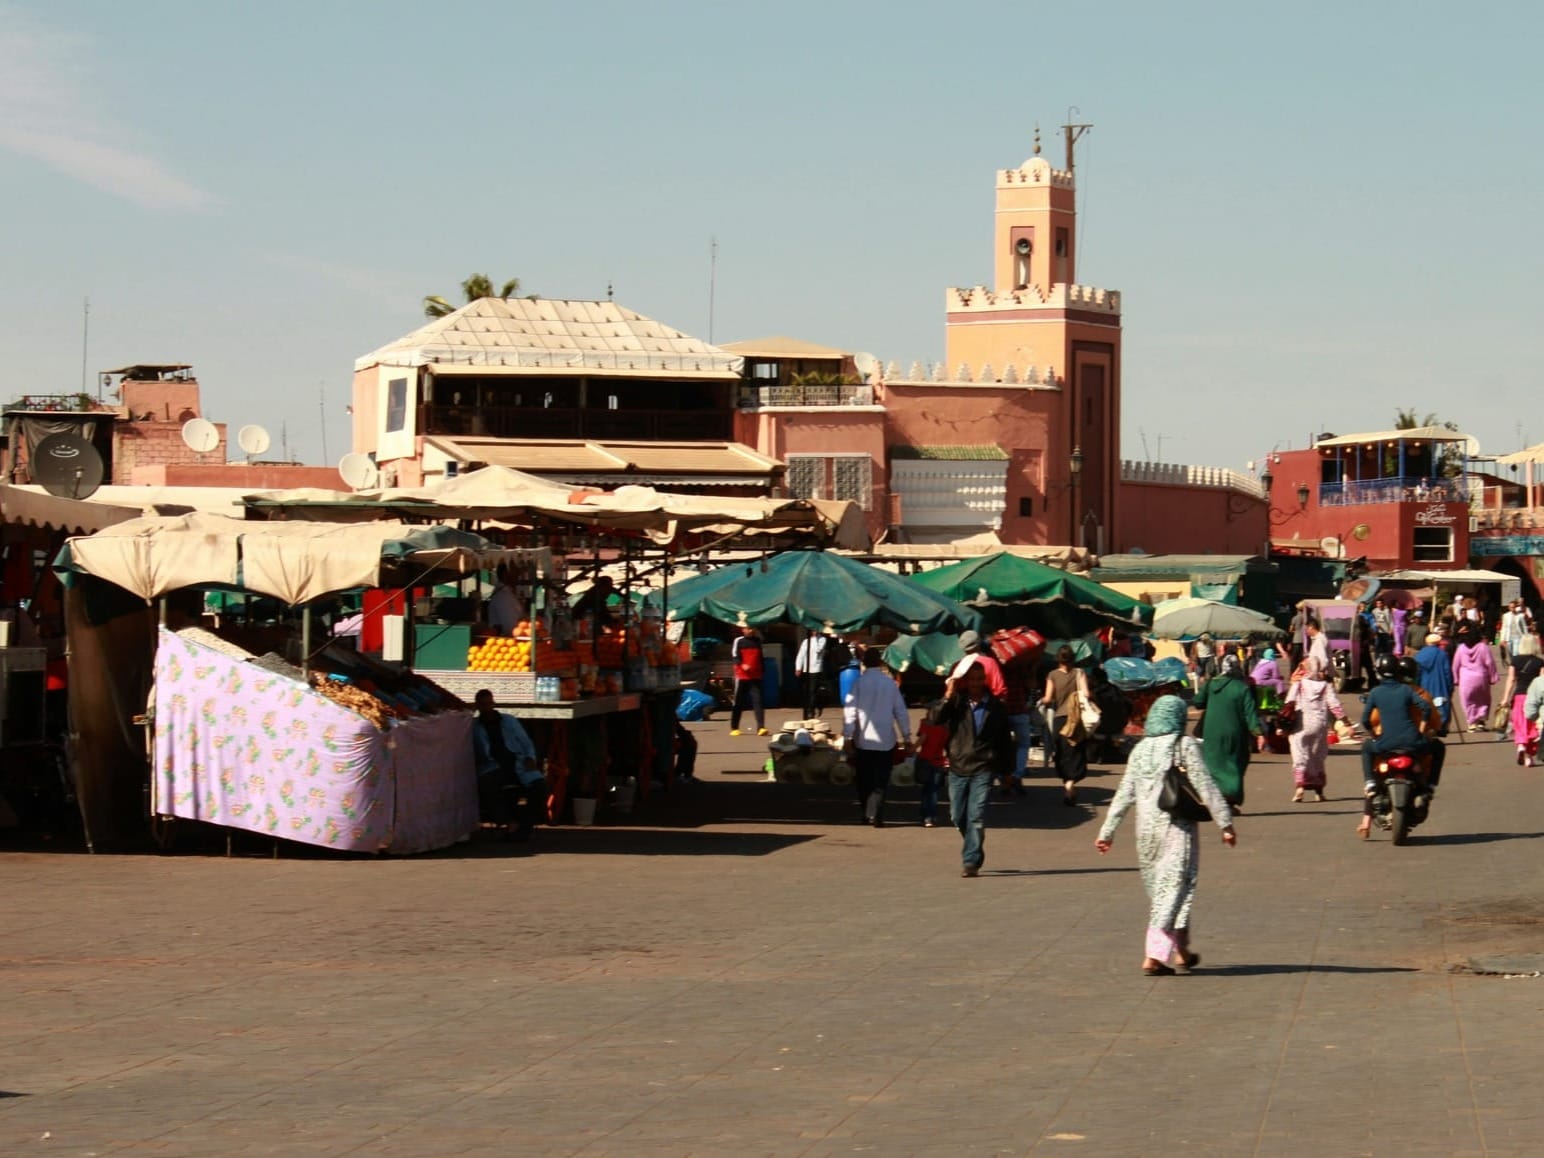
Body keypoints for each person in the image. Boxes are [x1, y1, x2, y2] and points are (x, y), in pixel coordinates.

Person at [1095, 695, 1237, 975]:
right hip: (1176, 828)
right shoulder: (1183, 745)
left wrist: (1107, 831)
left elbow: (1125, 793)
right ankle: (1154, 956)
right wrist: (1225, 823)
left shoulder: (1140, 750)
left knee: (1168, 891)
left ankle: (1182, 951)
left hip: (1145, 832)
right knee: (1172, 890)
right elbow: (1204, 785)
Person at [930, 657, 1015, 876]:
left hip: (983, 766)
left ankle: (971, 861)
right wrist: (947, 695)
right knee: (957, 816)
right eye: (972, 679)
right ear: (966, 681)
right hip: (958, 765)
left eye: (980, 679)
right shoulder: (956, 702)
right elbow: (934, 718)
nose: (976, 683)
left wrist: (1007, 772)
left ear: (984, 679)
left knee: (975, 816)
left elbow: (1005, 740)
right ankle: (974, 843)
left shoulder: (995, 706)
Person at [1359, 654, 1446, 839]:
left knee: (1367, 750)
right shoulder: (1413, 692)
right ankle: (1430, 786)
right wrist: (1422, 729)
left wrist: (1374, 735)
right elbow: (1428, 711)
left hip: (1385, 745)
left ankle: (1371, 785)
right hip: (1414, 744)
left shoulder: (1376, 692)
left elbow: (1367, 720)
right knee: (1439, 748)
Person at [842, 647, 912, 827]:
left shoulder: (858, 683)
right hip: (885, 741)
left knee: (864, 779)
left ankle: (867, 812)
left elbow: (850, 712)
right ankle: (877, 812)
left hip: (863, 741)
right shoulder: (890, 684)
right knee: (881, 779)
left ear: (864, 663)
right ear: (881, 663)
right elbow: (900, 712)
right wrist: (907, 736)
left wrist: (847, 736)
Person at [471, 689, 547, 839]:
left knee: (540, 786)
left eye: (489, 704)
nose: (486, 708)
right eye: (483, 705)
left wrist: (530, 757)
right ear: (478, 706)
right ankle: (509, 822)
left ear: (493, 704)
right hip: (493, 766)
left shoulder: (509, 721)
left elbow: (526, 742)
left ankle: (526, 823)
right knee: (486, 785)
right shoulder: (475, 728)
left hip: (517, 763)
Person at [1190, 654, 1263, 809]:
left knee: (1214, 765)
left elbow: (1197, 702)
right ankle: (1229, 800)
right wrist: (1258, 732)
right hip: (1235, 733)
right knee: (1235, 765)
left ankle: (1216, 799)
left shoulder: (1211, 684)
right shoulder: (1242, 687)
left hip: (1211, 733)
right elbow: (1250, 713)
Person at [1284, 656, 1347, 802]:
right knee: (1317, 758)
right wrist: (1346, 723)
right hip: (1320, 726)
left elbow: (1288, 703)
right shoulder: (1326, 686)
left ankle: (1300, 788)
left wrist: (1283, 726)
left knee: (1300, 756)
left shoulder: (1299, 685)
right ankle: (1319, 792)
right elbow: (1335, 705)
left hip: (1301, 725)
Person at [1041, 645, 1092, 807]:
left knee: (1062, 753)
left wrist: (1042, 701)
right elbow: (1087, 694)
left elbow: (1049, 698)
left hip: (1060, 719)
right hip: (1076, 719)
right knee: (1075, 752)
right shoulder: (1080, 673)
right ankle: (1070, 785)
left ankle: (1067, 785)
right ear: (1073, 658)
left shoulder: (1052, 675)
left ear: (1058, 659)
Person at [1501, 633, 1543, 767]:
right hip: (1535, 697)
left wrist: (1505, 698)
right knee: (1533, 725)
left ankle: (1521, 745)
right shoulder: (1539, 662)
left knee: (1519, 723)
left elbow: (1511, 679)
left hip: (1519, 696)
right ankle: (1529, 757)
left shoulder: (1515, 660)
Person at [1451, 628, 1498, 730]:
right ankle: (1481, 720)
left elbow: (1455, 665)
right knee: (1483, 699)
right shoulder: (1483, 647)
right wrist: (1493, 677)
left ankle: (1472, 722)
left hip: (1466, 679)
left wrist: (1455, 678)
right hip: (1481, 677)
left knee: (1467, 701)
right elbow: (1490, 663)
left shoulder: (1461, 648)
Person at [729, 625, 768, 737]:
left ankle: (761, 727)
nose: (750, 631)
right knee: (738, 702)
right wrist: (742, 665)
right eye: (748, 628)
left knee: (758, 701)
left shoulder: (758, 641)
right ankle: (734, 727)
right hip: (742, 676)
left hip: (756, 676)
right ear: (743, 629)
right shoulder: (738, 641)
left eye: (752, 629)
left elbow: (760, 657)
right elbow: (735, 656)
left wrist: (762, 671)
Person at [914, 707, 949, 828]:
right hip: (938, 762)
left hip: (925, 761)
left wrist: (912, 749)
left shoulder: (926, 726)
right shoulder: (944, 728)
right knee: (934, 792)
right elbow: (947, 745)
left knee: (925, 791)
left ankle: (925, 816)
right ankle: (932, 816)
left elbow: (922, 739)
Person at [1414, 631, 1454, 733]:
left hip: (1424, 685)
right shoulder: (1443, 654)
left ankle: (1426, 725)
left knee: (1425, 705)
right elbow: (1447, 673)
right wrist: (1450, 688)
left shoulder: (1419, 655)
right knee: (1441, 705)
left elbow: (1416, 674)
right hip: (1440, 684)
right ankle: (1441, 726)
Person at [794, 630, 832, 719]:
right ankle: (808, 708)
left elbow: (818, 650)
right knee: (806, 691)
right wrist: (798, 667)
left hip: (816, 669)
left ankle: (811, 710)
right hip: (806, 669)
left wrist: (815, 638)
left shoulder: (822, 640)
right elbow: (801, 655)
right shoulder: (806, 641)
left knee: (813, 691)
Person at [487, 565, 526, 636]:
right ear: (505, 575)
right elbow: (510, 626)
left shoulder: (508, 593)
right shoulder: (503, 596)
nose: (519, 576)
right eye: (516, 572)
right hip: (507, 640)